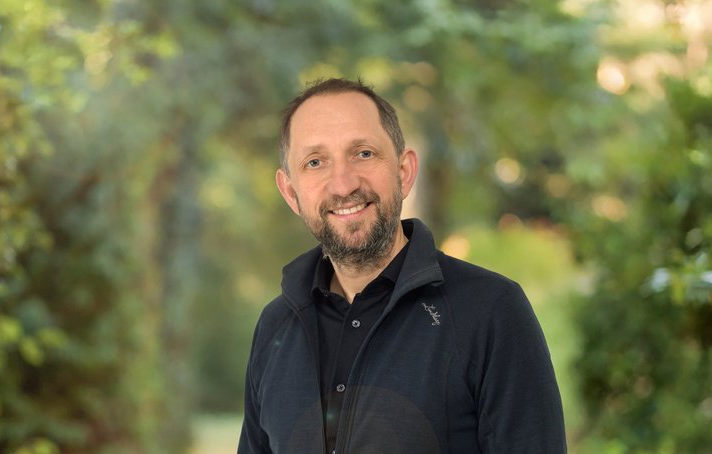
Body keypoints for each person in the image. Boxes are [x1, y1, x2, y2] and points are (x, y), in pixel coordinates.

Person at [238, 78, 566, 454]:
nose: (343, 185)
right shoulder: (275, 327)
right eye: (315, 162)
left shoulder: (491, 310)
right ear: (291, 192)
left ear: (404, 171)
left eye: (363, 153)